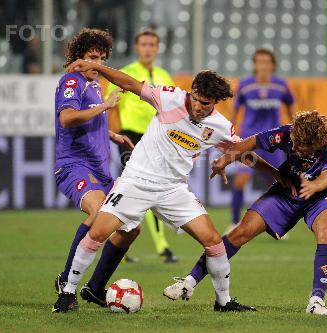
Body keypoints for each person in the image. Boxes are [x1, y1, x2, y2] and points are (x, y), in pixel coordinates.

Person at [52, 58, 258, 313]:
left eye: (205, 103)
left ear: (214, 103)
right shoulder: (169, 98)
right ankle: (68, 291)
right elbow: (129, 83)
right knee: (97, 233)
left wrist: (276, 175)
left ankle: (224, 302)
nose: (197, 105)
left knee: (214, 241)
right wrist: (100, 69)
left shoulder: (220, 126)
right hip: (136, 182)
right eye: (195, 98)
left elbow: (246, 152)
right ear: (191, 91)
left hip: (173, 189)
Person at [163, 111, 327, 316]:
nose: (294, 147)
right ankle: (188, 282)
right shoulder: (287, 133)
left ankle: (316, 301)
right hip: (287, 192)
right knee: (240, 232)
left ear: (316, 143)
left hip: (322, 197)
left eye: (300, 146)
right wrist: (224, 161)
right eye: (293, 142)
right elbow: (249, 144)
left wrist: (315, 186)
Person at [52, 28, 138, 312]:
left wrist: (112, 135)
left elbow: (89, 121)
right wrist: (105, 106)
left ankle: (96, 287)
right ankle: (66, 283)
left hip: (100, 170)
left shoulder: (95, 82)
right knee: (100, 212)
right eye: (92, 57)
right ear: (79, 57)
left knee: (130, 227)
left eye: (101, 58)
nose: (97, 64)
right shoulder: (72, 81)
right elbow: (66, 119)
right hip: (74, 166)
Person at [106, 29, 178, 263]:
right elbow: (111, 107)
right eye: (144, 44)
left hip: (157, 140)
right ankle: (158, 246)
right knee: (136, 187)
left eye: (152, 45)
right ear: (137, 48)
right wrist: (114, 135)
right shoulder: (125, 74)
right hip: (130, 138)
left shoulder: (164, 75)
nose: (148, 49)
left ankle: (138, 241)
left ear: (157, 48)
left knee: (149, 188)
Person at [230, 49, 295, 229]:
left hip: (273, 142)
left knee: (276, 183)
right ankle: (235, 222)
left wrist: (295, 132)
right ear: (254, 64)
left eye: (267, 62)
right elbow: (235, 110)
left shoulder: (281, 85)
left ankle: (278, 223)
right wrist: (230, 133)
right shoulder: (245, 85)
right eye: (260, 62)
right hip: (249, 141)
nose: (263, 66)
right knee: (240, 181)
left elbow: (291, 108)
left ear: (273, 65)